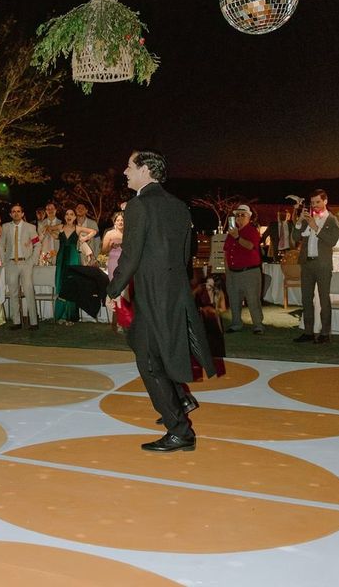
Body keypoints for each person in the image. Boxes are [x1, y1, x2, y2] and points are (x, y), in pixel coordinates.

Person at [106, 150, 216, 453]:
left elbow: (130, 255)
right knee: (150, 347)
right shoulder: (179, 206)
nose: (125, 171)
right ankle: (180, 398)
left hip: (153, 294)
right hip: (175, 290)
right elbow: (184, 254)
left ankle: (179, 429)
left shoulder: (138, 206)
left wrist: (113, 289)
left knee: (148, 361)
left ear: (145, 170)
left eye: (129, 166)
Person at [291, 189, 339, 344]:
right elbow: (295, 237)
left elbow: (332, 241)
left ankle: (325, 333)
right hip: (307, 264)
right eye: (312, 202)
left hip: (323, 265)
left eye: (318, 202)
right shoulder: (308, 218)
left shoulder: (333, 220)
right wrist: (300, 221)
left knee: (324, 299)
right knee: (306, 299)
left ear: (325, 201)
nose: (315, 205)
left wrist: (316, 227)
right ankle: (308, 332)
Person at [223, 204, 264, 335]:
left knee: (253, 300)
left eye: (242, 215)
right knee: (234, 299)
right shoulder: (232, 232)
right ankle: (236, 323)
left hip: (249, 272)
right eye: (237, 215)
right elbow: (226, 252)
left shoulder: (252, 231)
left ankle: (258, 324)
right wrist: (227, 271)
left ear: (249, 218)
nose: (239, 218)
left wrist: (237, 237)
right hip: (233, 272)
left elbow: (250, 245)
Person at [0, 203, 39, 329]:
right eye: (13, 211)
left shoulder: (30, 227)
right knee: (13, 293)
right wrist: (4, 261)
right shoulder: (5, 227)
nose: (16, 213)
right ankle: (16, 322)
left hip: (25, 263)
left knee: (29, 291)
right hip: (11, 264)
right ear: (10, 214)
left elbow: (37, 244)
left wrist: (32, 261)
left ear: (22, 213)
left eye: (18, 211)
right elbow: (1, 245)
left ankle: (33, 322)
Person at [54, 207, 96, 325]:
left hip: (73, 256)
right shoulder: (60, 227)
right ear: (64, 216)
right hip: (61, 257)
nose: (69, 216)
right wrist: (54, 235)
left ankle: (70, 317)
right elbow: (47, 228)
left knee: (71, 284)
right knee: (61, 283)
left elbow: (94, 231)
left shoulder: (78, 228)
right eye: (67, 214)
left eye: (71, 214)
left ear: (74, 217)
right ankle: (60, 316)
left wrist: (85, 238)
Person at [36, 200, 61, 266]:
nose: (50, 211)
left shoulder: (61, 223)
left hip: (57, 251)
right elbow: (39, 239)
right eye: (48, 209)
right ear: (46, 211)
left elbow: (60, 237)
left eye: (52, 209)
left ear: (55, 210)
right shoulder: (41, 224)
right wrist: (43, 232)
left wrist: (49, 229)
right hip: (45, 252)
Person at [101, 211, 124, 280]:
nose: (120, 222)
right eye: (118, 220)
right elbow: (103, 251)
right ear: (115, 222)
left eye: (122, 220)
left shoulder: (129, 234)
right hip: (113, 262)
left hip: (126, 263)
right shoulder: (109, 234)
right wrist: (110, 246)